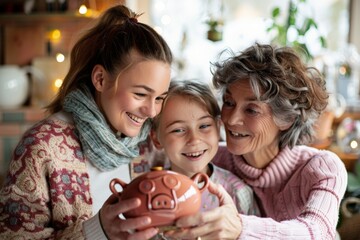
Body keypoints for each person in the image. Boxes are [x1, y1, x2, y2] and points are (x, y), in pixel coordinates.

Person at [0, 4, 172, 240]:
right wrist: (97, 231)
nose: (151, 111)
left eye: (160, 98)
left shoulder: (150, 144)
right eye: (140, 94)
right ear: (100, 79)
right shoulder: (41, 147)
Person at [164, 43, 348, 240]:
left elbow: (318, 231)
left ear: (286, 119)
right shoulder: (208, 158)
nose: (231, 119)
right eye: (229, 103)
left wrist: (241, 227)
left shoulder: (322, 168)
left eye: (251, 110)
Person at [150, 80, 259, 216]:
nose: (194, 139)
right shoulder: (149, 191)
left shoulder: (238, 193)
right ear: (156, 138)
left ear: (218, 128)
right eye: (178, 130)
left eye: (204, 126)